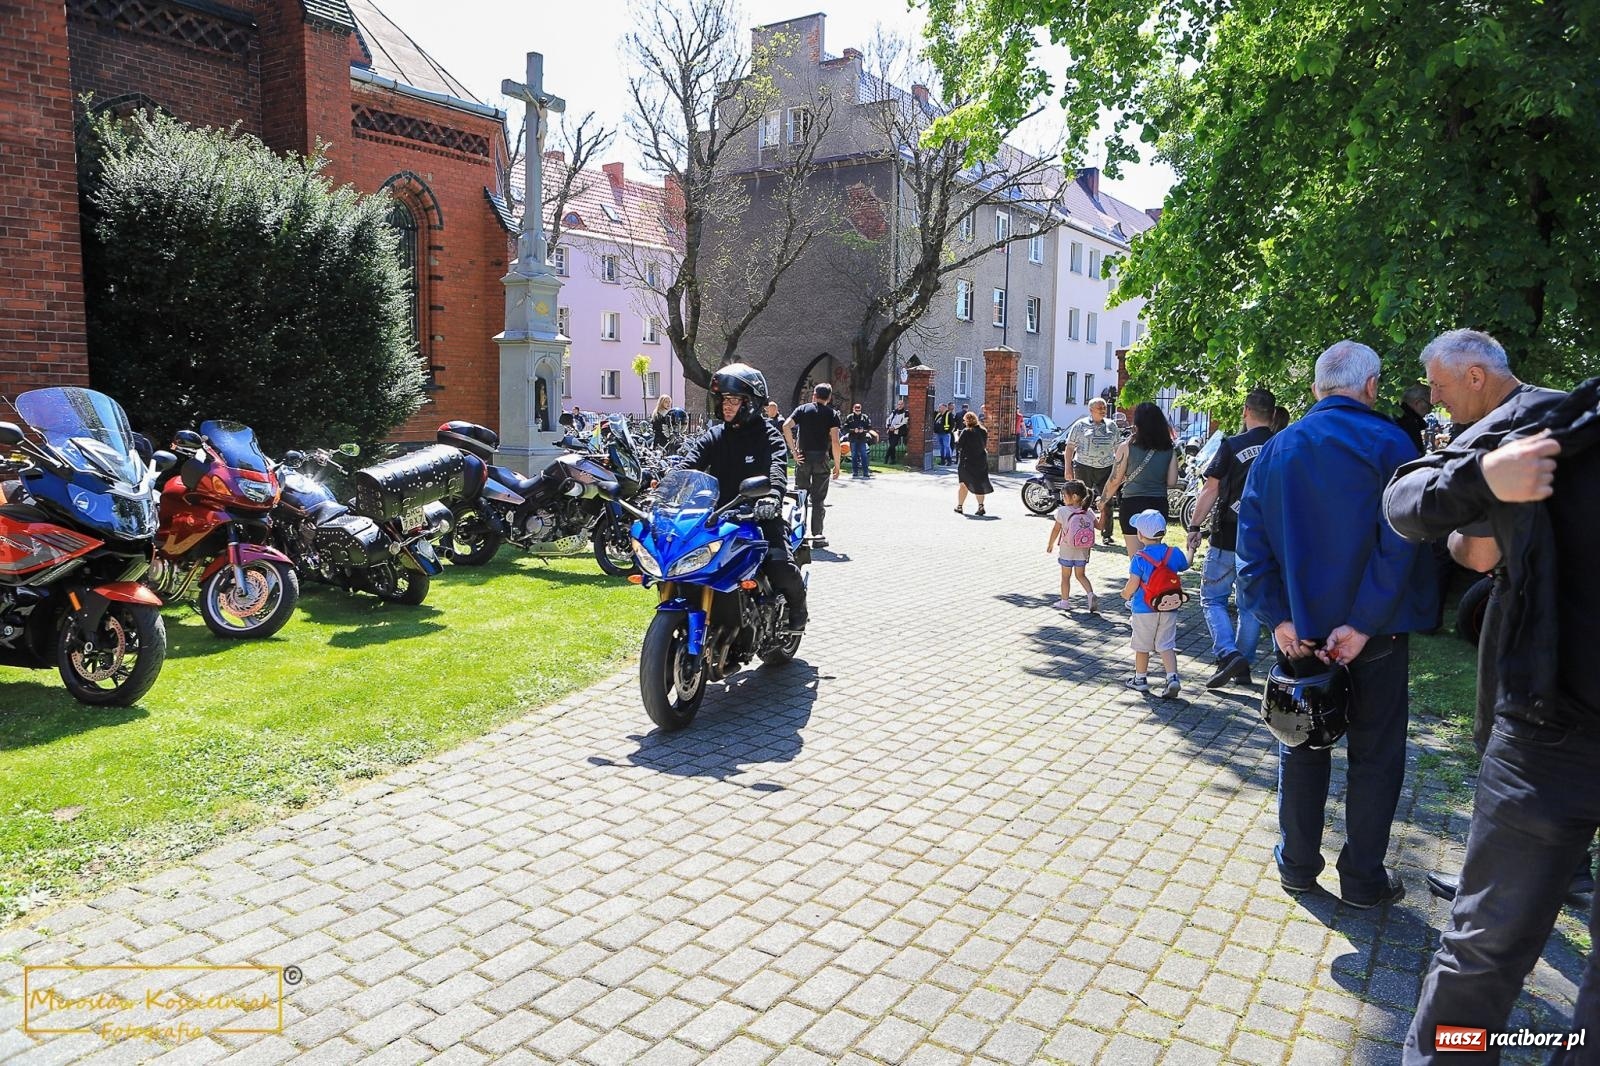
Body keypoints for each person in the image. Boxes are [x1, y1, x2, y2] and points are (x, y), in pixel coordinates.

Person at [1388, 373, 1600, 1064]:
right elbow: (1407, 501)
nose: (1439, 399)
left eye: (1442, 387)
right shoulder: (1556, 421)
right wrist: (1484, 474)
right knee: (1483, 951)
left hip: (1544, 733)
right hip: (1549, 737)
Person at [1236, 340, 1436, 908]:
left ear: (1318, 388)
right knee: (1375, 754)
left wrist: (1277, 618)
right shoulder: (1392, 442)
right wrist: (1364, 624)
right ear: (1371, 386)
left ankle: (1297, 865)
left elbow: (1253, 547)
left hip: (1299, 632)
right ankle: (1362, 878)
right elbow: (1399, 545)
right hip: (1372, 635)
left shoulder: (1276, 449)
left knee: (1301, 742)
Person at [1385, 328, 1576, 905]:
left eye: (1440, 387)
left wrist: (1453, 548)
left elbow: (1481, 552)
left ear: (1475, 376)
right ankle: (1573, 871)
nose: (1435, 399)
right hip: (1581, 612)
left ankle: (1488, 883)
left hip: (1521, 610)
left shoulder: (1500, 432)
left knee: (1502, 741)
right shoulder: (1565, 410)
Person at [677, 363, 807, 632]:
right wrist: (666, 481)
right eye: (724, 399)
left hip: (758, 515)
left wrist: (771, 496)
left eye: (733, 399)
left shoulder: (768, 435)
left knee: (778, 564)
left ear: (750, 402)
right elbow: (689, 464)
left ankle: (798, 610)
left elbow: (776, 468)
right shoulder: (715, 436)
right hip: (717, 517)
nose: (726, 405)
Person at [1186, 388, 1276, 689]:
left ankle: (1228, 653)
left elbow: (1210, 489)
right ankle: (1243, 665)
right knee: (1250, 605)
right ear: (1273, 416)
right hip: (1266, 540)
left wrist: (1194, 525)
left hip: (1227, 533)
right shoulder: (1282, 446)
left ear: (1245, 411)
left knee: (1213, 598)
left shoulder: (1232, 445)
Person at [1120, 509, 1188, 698]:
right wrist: (1191, 549)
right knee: (1166, 644)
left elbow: (1133, 584)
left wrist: (1125, 594)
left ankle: (1140, 679)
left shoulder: (1139, 558)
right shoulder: (1173, 553)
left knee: (1142, 646)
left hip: (1144, 609)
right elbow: (1186, 564)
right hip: (1170, 607)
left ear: (1140, 535)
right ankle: (1172, 677)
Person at [1100, 402, 1179, 565]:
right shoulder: (1169, 449)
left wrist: (1102, 501)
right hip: (1158, 505)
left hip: (1133, 505)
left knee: (1137, 562)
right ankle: (1155, 588)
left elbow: (1114, 480)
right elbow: (1172, 482)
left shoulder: (1126, 447)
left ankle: (1138, 590)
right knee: (1153, 561)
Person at [784, 383, 842, 548]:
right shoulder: (832, 414)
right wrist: (837, 466)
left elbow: (786, 426)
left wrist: (794, 452)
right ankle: (817, 534)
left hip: (803, 457)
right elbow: (836, 441)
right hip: (821, 459)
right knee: (818, 499)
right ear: (829, 398)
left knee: (800, 497)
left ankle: (798, 536)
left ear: (814, 395)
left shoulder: (802, 410)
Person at [1064, 398, 1121, 546]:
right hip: (1083, 466)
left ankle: (1107, 534)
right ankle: (1080, 529)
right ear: (1091, 410)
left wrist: (1120, 469)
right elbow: (1070, 448)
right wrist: (1068, 467)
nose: (1103, 410)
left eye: (1104, 407)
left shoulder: (1112, 426)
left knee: (1107, 500)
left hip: (1106, 467)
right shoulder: (1080, 425)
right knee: (1082, 500)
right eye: (1100, 408)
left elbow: (1118, 449)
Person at [1046, 479, 1098, 612]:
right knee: (1081, 575)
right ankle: (1090, 594)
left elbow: (1056, 529)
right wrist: (1104, 512)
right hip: (1083, 550)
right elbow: (1099, 526)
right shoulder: (1088, 511)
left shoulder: (1062, 511)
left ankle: (1064, 602)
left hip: (1067, 549)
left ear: (1074, 496)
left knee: (1065, 577)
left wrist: (1050, 544)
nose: (1062, 498)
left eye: (1064, 495)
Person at [953, 411, 993, 515]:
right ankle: (981, 506)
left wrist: (956, 436)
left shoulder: (966, 431)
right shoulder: (983, 431)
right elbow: (983, 445)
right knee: (979, 484)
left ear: (967, 421)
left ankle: (960, 506)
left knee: (963, 484)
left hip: (967, 461)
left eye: (964, 420)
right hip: (980, 460)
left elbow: (958, 446)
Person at [1395, 383, 1432, 455]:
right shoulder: (1409, 424)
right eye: (1430, 405)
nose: (1430, 411)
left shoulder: (1393, 416)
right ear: (1417, 402)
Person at [843, 402, 874, 478]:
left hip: (862, 439)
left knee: (864, 455)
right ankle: (855, 472)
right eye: (856, 410)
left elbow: (869, 427)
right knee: (854, 456)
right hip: (853, 439)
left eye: (859, 410)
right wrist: (853, 430)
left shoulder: (865, 417)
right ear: (853, 409)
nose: (857, 411)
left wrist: (863, 430)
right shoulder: (850, 417)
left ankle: (866, 472)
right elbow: (845, 428)